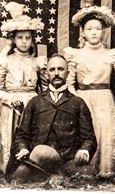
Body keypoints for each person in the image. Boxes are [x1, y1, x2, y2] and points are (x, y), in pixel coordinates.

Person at [63, 2, 115, 178]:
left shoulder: (110, 54)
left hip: (104, 99)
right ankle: (84, 172)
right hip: (83, 99)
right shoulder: (75, 54)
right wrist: (76, 99)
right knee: (85, 132)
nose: (93, 32)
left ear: (103, 31)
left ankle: (105, 170)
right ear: (82, 32)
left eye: (97, 29)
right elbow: (69, 82)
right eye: (89, 29)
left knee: (105, 133)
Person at [9, 54, 97, 182]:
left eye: (60, 69)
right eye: (52, 69)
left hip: (68, 163)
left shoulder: (78, 103)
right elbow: (21, 136)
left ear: (67, 73)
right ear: (46, 73)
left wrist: (84, 151)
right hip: (37, 163)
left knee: (88, 181)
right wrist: (23, 149)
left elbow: (89, 138)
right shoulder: (35, 102)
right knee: (17, 181)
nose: (56, 73)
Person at [0, 2, 47, 174]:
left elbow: (44, 89)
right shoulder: (5, 61)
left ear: (32, 40)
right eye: (20, 37)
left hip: (33, 106)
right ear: (13, 39)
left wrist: (40, 105)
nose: (24, 41)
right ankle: (6, 171)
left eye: (28, 38)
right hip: (11, 108)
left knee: (31, 138)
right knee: (10, 140)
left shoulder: (38, 61)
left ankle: (29, 170)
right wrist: (9, 99)